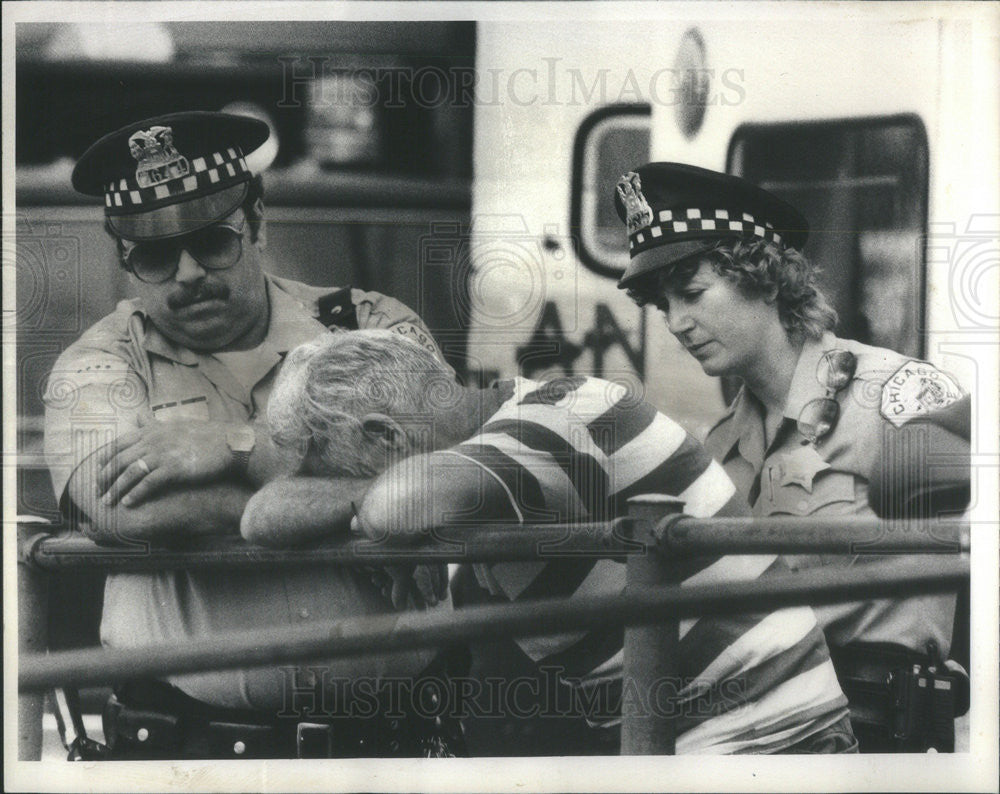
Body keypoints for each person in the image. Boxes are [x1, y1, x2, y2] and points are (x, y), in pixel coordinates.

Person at [42, 111, 457, 758]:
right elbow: (131, 510)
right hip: (191, 754)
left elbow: (447, 463)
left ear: (259, 223)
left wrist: (233, 446)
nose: (186, 274)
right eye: (153, 255)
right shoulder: (98, 368)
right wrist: (363, 501)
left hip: (394, 748)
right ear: (124, 260)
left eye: (212, 242)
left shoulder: (369, 323)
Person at [254, 328, 857, 754]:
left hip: (767, 736)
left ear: (384, 439)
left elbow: (395, 506)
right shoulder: (497, 440)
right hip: (719, 733)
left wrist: (380, 516)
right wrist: (373, 512)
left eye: (342, 472)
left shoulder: (558, 416)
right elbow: (261, 516)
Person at [614, 162, 968, 751]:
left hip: (881, 734)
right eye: (664, 304)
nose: (677, 322)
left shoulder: (896, 394)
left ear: (765, 277)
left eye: (693, 293)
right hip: (764, 736)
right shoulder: (718, 448)